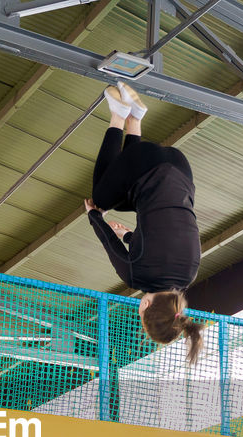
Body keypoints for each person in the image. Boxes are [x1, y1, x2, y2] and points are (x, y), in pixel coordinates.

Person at [85, 81, 205, 364]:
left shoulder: (189, 273)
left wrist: (129, 236)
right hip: (144, 165)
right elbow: (109, 243)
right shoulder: (137, 278)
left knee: (129, 197)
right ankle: (118, 112)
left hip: (180, 167)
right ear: (146, 305)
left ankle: (134, 118)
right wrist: (94, 215)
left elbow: (163, 234)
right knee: (101, 197)